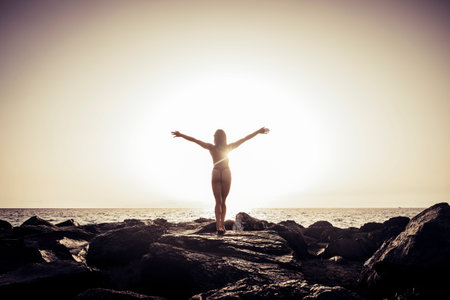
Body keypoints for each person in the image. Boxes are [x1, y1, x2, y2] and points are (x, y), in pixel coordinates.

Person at [171, 127, 269, 235]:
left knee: (218, 201)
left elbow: (195, 140)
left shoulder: (211, 147)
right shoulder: (229, 147)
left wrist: (181, 135)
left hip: (216, 171)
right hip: (226, 172)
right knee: (224, 201)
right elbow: (245, 139)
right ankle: (223, 225)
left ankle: (218, 226)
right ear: (224, 138)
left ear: (215, 138)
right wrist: (258, 131)